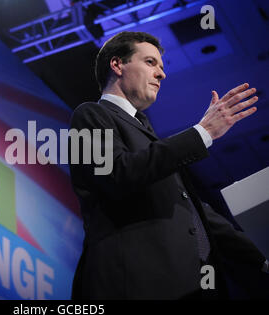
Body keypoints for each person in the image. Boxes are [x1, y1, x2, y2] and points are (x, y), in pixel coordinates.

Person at [68, 31, 269, 299]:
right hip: (135, 286)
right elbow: (115, 174)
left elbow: (194, 211)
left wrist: (260, 261)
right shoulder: (90, 115)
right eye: (151, 63)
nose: (161, 74)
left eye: (162, 67)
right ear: (117, 65)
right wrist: (201, 133)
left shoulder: (149, 136)